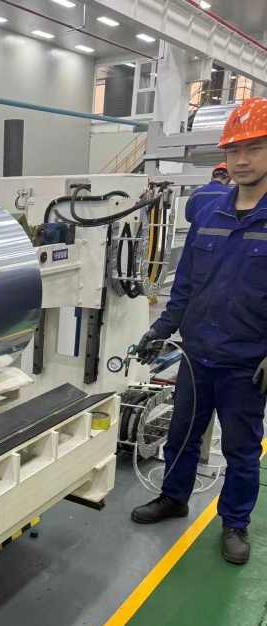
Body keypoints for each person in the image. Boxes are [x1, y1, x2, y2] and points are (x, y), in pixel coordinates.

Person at [131, 97, 267, 566]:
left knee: (241, 449)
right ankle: (174, 498)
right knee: (183, 434)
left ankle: (235, 522)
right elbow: (186, 283)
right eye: (234, 150)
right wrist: (160, 329)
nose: (242, 160)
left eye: (254, 148)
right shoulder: (209, 212)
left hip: (246, 363)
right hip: (196, 354)